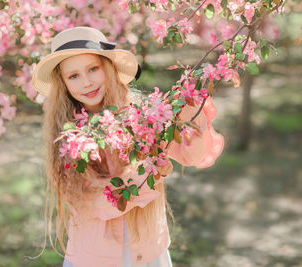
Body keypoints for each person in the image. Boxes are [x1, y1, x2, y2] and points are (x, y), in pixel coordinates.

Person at [31, 26, 224, 267]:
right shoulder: (66, 135)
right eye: (74, 76)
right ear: (63, 83)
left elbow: (191, 155)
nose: (87, 82)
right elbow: (93, 200)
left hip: (147, 250)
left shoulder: (139, 115)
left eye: (93, 69)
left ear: (108, 68)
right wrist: (148, 172)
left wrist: (186, 113)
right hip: (94, 258)